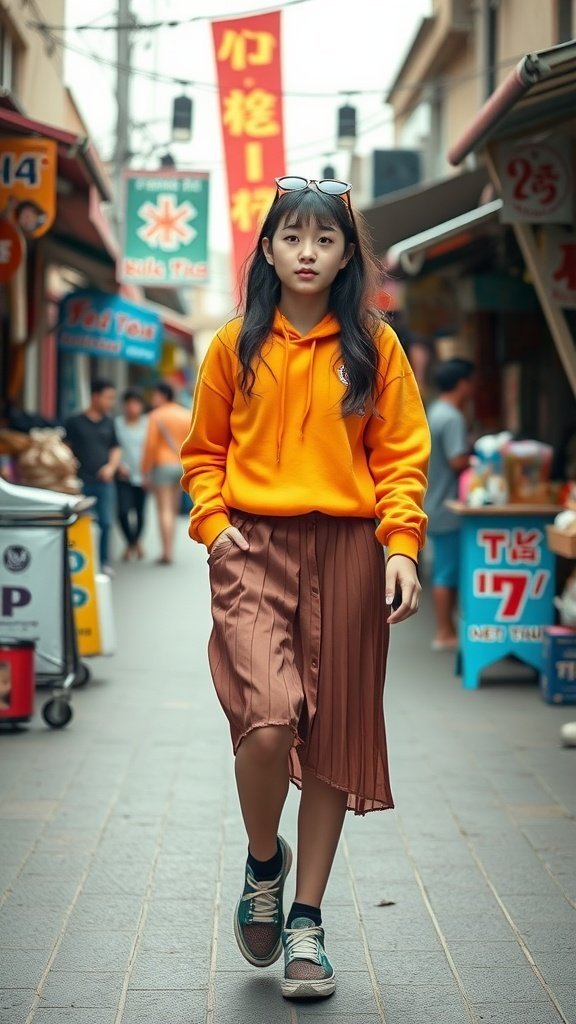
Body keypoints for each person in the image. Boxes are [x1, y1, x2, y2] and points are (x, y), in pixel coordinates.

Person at [180, 177, 430, 1001]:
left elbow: (400, 457)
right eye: (293, 237)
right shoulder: (232, 346)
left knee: (333, 737)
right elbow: (202, 454)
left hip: (352, 550)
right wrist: (216, 530)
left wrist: (400, 546)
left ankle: (307, 923)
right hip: (253, 545)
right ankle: (264, 861)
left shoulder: (375, 346)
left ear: (346, 253)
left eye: (325, 240)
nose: (309, 253)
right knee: (266, 719)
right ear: (270, 249)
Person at [425, 358, 474, 651]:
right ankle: (444, 631)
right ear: (463, 383)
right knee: (447, 570)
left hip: (433, 500)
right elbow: (457, 459)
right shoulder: (452, 417)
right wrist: (479, 455)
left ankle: (447, 628)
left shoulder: (435, 411)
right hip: (447, 505)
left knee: (444, 567)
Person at [64, 379, 121, 575]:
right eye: (108, 397)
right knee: (80, 523)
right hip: (80, 482)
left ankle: (103, 562)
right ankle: (80, 564)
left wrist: (111, 467)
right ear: (95, 397)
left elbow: (115, 448)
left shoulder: (110, 422)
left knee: (105, 523)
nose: (111, 402)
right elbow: (65, 448)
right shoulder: (74, 422)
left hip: (104, 482)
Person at [142, 381, 190, 565]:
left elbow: (150, 446)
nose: (153, 399)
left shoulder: (156, 416)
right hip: (180, 465)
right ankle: (171, 549)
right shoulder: (185, 414)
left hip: (162, 465)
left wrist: (144, 471)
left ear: (162, 396)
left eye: (155, 395)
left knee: (164, 510)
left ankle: (166, 552)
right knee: (174, 509)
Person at [114, 388, 149, 561]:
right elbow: (113, 447)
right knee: (122, 511)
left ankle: (133, 543)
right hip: (123, 475)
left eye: (136, 403)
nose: (132, 407)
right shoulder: (117, 424)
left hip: (143, 475)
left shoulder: (148, 424)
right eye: (129, 403)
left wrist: (149, 471)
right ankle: (131, 543)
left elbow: (152, 449)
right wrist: (118, 465)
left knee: (140, 513)